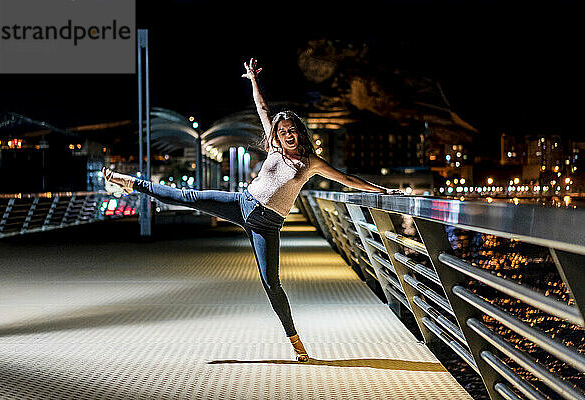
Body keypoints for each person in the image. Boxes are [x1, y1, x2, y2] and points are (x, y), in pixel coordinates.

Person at [102, 58, 403, 362]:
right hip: (242, 202)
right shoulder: (273, 148)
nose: (286, 134)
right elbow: (263, 110)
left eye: (291, 129)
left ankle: (297, 343)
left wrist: (382, 190)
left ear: (298, 132)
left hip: (267, 225)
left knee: (272, 284)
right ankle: (131, 182)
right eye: (282, 130)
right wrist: (253, 80)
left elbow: (347, 179)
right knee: (186, 196)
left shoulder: (310, 163)